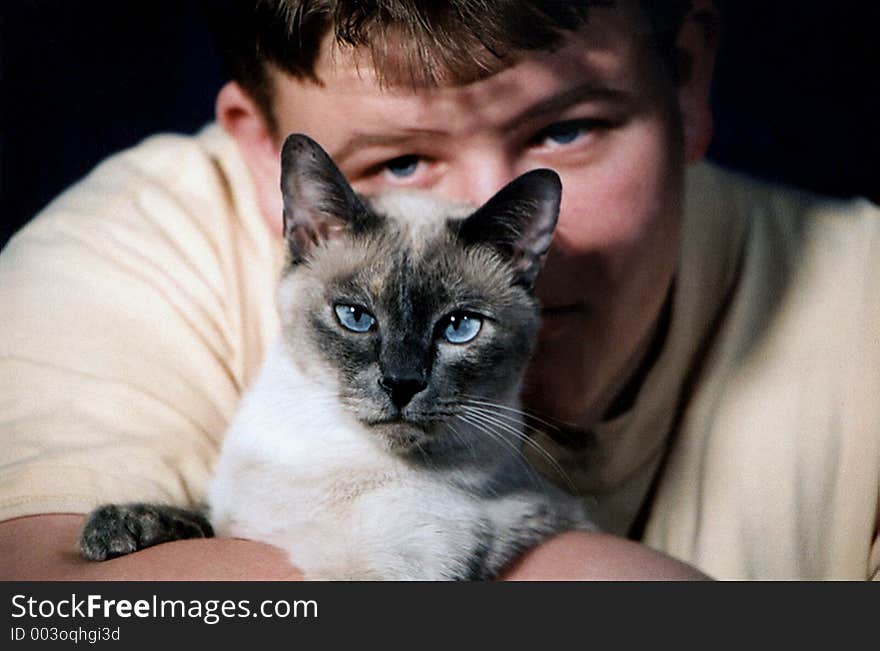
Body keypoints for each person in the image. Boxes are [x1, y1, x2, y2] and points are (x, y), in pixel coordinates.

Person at [0, 0, 877, 581]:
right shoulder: (128, 251)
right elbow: (54, 611)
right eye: (403, 161)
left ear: (686, 79)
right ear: (269, 152)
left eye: (567, 129)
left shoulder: (860, 307)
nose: (470, 204)